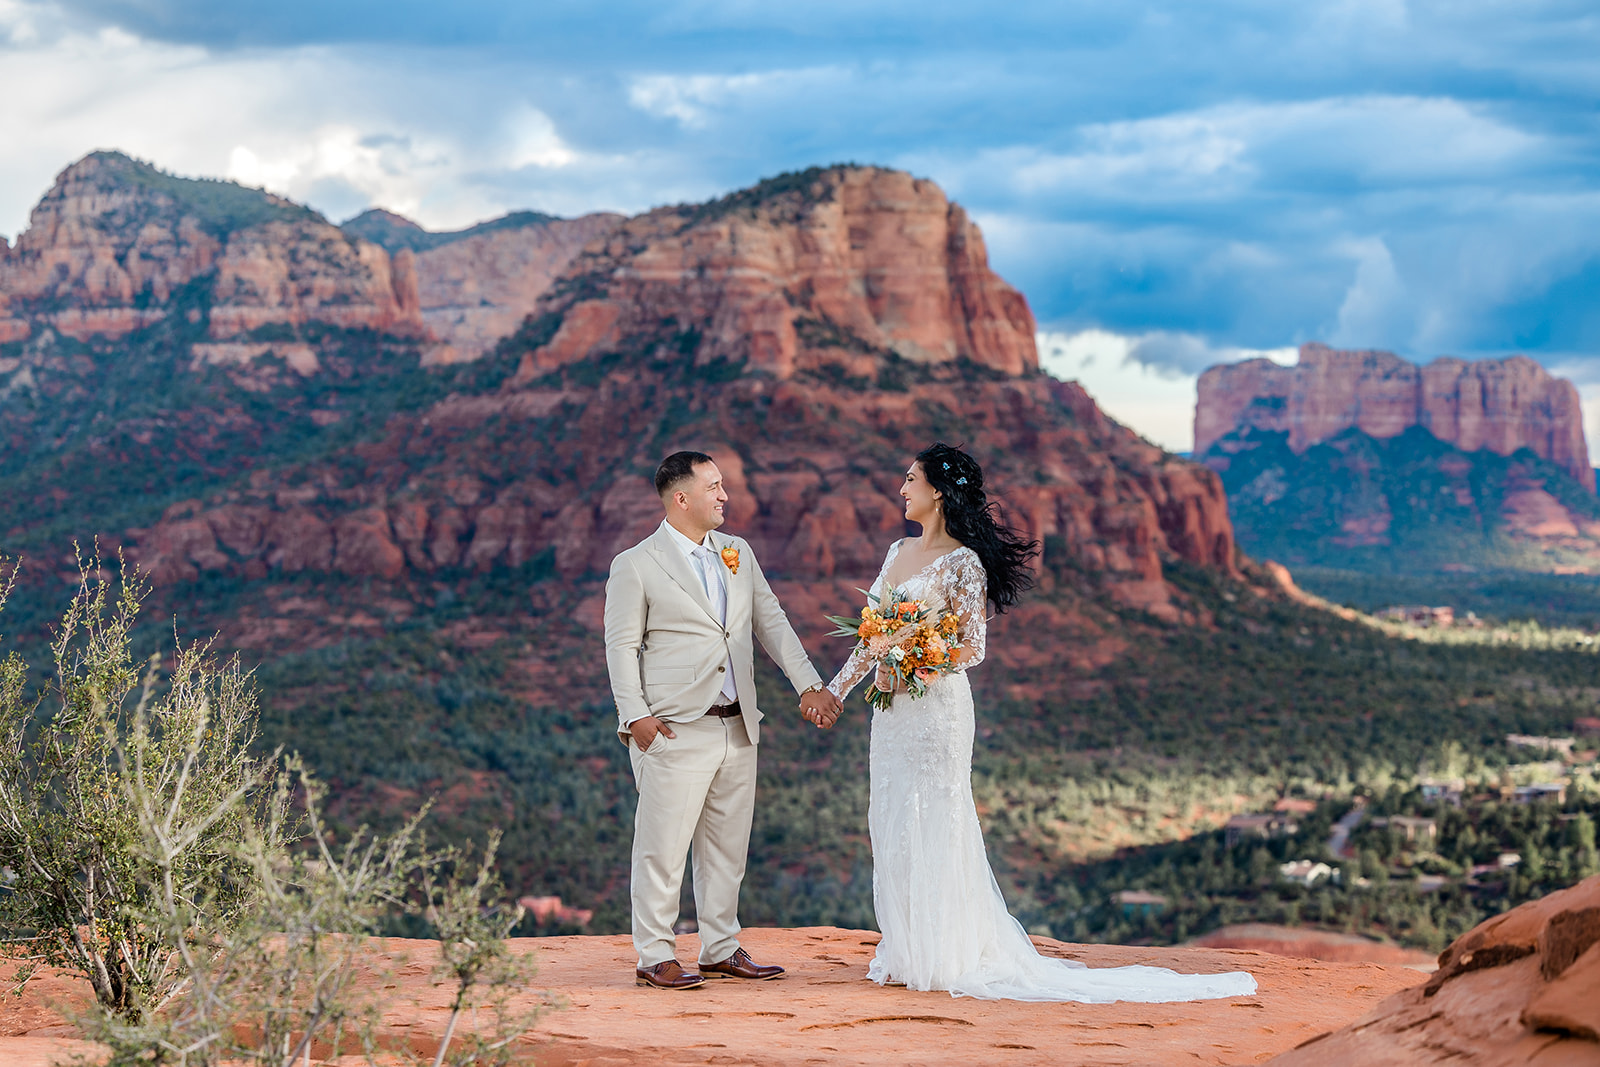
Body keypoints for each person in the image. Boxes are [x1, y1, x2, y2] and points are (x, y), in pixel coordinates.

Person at [824, 442, 1257, 1002]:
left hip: (937, 708)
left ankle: (946, 951)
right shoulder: (895, 552)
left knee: (938, 812)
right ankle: (909, 947)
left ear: (936, 491)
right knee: (891, 812)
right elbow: (870, 635)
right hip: (893, 712)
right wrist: (833, 692)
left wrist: (914, 657)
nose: (901, 489)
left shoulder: (963, 562)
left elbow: (972, 647)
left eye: (910, 479)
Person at [605, 450, 844, 990]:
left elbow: (772, 621)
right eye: (713, 486)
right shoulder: (636, 563)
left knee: (726, 848)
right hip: (672, 729)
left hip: (739, 726)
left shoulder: (738, 552)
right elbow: (620, 646)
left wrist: (808, 684)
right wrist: (635, 717)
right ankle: (654, 954)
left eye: (723, 485)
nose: (724, 495)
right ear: (680, 498)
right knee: (662, 848)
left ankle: (720, 947)